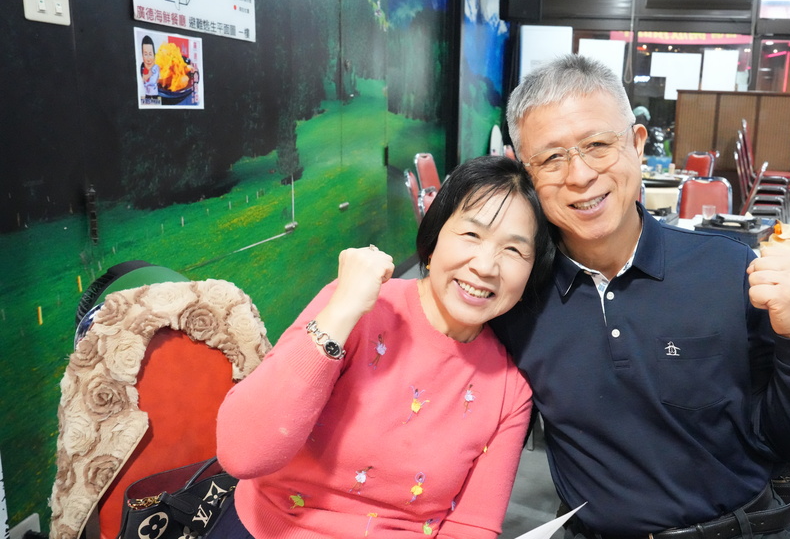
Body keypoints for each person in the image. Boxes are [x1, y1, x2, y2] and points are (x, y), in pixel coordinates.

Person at [491, 54, 790, 539]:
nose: (580, 175)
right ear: (525, 173)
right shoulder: (517, 299)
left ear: (636, 143)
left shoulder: (728, 270)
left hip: (742, 528)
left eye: (597, 145)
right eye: (551, 158)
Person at [215, 155, 554, 538]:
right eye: (472, 235)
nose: (486, 266)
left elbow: (470, 527)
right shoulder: (360, 307)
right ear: (435, 238)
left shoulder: (509, 388)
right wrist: (342, 310)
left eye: (514, 250)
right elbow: (242, 453)